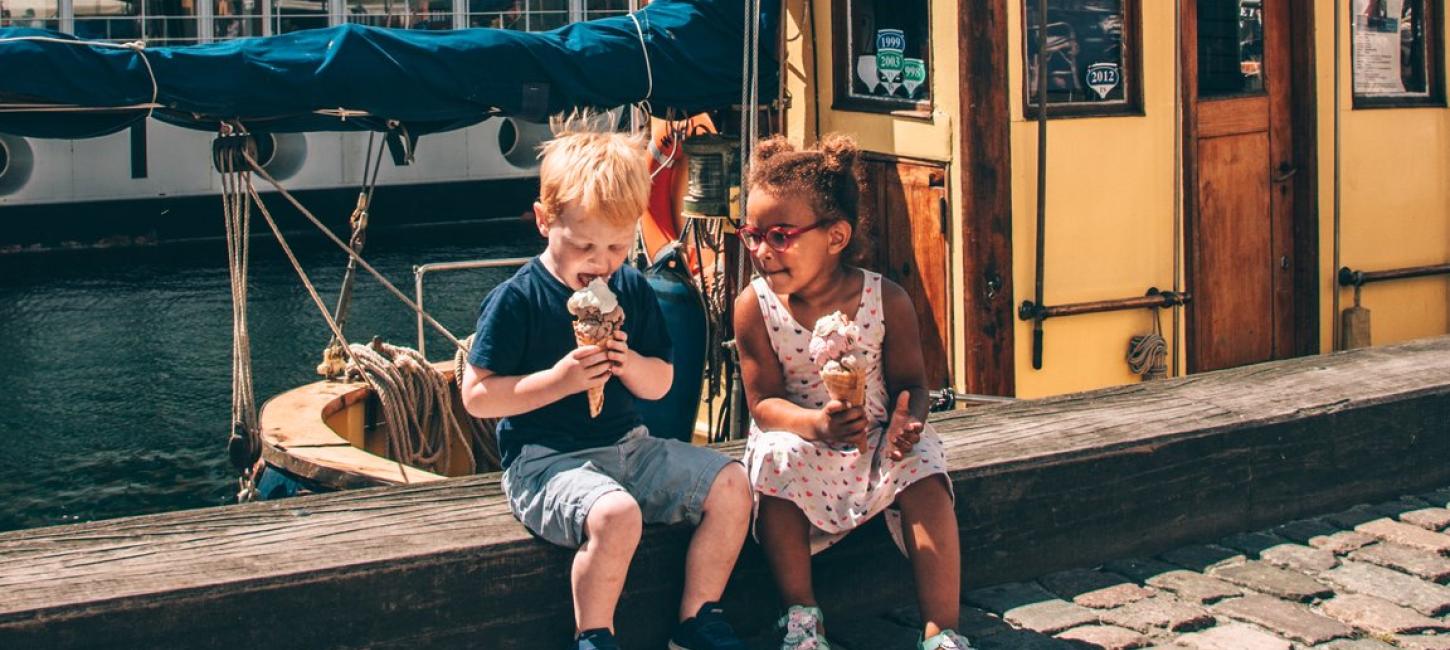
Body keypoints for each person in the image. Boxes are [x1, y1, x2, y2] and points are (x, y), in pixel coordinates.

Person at [460, 122, 752, 650]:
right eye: (586, 245)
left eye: (618, 246)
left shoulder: (631, 287)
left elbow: (661, 383)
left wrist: (628, 363)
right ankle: (594, 635)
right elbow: (477, 396)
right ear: (545, 221)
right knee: (617, 514)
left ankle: (697, 618)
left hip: (629, 448)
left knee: (733, 483)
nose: (602, 263)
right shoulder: (517, 298)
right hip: (543, 460)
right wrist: (558, 380)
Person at [733, 134, 972, 650]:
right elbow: (763, 406)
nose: (760, 251)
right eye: (751, 234)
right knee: (774, 457)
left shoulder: (886, 299)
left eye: (779, 236)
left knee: (926, 464)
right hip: (802, 438)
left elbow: (913, 384)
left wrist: (910, 419)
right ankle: (801, 614)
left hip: (878, 443)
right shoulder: (754, 308)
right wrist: (816, 425)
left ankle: (941, 629)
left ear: (836, 236)